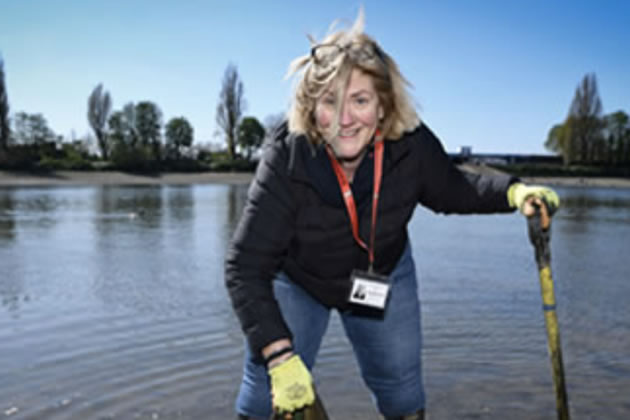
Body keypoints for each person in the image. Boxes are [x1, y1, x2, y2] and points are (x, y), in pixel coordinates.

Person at [225, 9, 559, 420]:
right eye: (330, 102)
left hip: (380, 274)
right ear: (311, 109)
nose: (345, 120)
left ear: (383, 106)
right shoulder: (286, 156)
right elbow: (244, 266)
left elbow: (455, 188)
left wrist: (514, 191)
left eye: (360, 101)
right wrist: (278, 354)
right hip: (299, 280)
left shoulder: (411, 146)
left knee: (402, 396)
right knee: (264, 396)